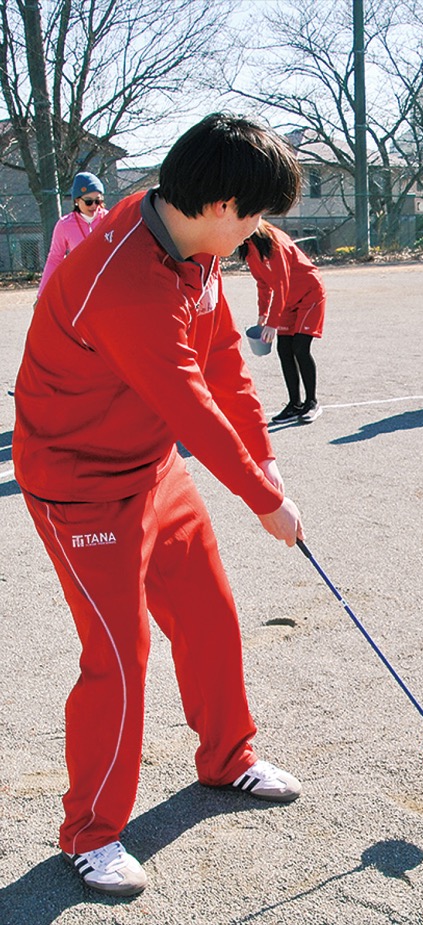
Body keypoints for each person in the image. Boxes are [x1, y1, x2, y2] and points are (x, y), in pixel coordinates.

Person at [13, 113, 306, 898]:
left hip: (149, 466)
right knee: (119, 656)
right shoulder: (128, 285)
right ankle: (90, 832)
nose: (259, 232)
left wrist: (267, 463)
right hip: (81, 484)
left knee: (209, 612)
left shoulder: (192, 243)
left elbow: (221, 366)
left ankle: (228, 756)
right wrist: (261, 499)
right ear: (221, 205)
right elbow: (191, 407)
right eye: (256, 216)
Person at [240, 220, 326, 423]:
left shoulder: (274, 243)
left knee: (300, 347)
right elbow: (263, 283)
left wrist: (272, 322)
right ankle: (294, 404)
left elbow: (282, 283)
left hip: (309, 294)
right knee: (284, 349)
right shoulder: (249, 246)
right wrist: (262, 316)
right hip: (287, 299)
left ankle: (312, 402)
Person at [36, 172, 109, 298]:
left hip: (107, 284)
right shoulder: (64, 225)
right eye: (88, 202)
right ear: (76, 200)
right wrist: (42, 294)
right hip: (80, 287)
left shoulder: (110, 219)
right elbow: (55, 258)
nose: (94, 206)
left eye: (98, 200)